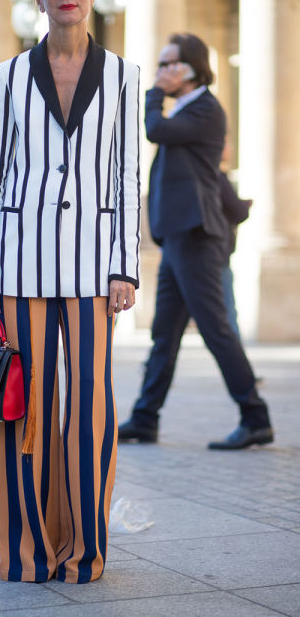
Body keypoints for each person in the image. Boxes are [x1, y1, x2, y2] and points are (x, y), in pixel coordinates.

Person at [0, 0, 141, 583]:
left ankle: (85, 551)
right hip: (22, 267)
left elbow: (127, 177)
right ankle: (27, 551)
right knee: (26, 408)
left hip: (97, 270)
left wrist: (125, 264)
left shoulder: (124, 74)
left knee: (91, 408)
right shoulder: (10, 75)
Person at [118, 33, 273, 450]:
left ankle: (255, 416)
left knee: (216, 330)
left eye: (170, 64)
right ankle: (145, 418)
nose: (162, 70)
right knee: (164, 334)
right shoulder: (190, 108)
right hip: (178, 238)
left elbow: (155, 130)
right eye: (160, 64)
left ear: (191, 68)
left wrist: (153, 94)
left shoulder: (204, 109)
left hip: (197, 237)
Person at [219, 168, 252, 336]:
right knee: (227, 312)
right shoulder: (216, 175)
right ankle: (237, 360)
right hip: (217, 255)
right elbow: (237, 211)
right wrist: (243, 206)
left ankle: (157, 361)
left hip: (200, 254)